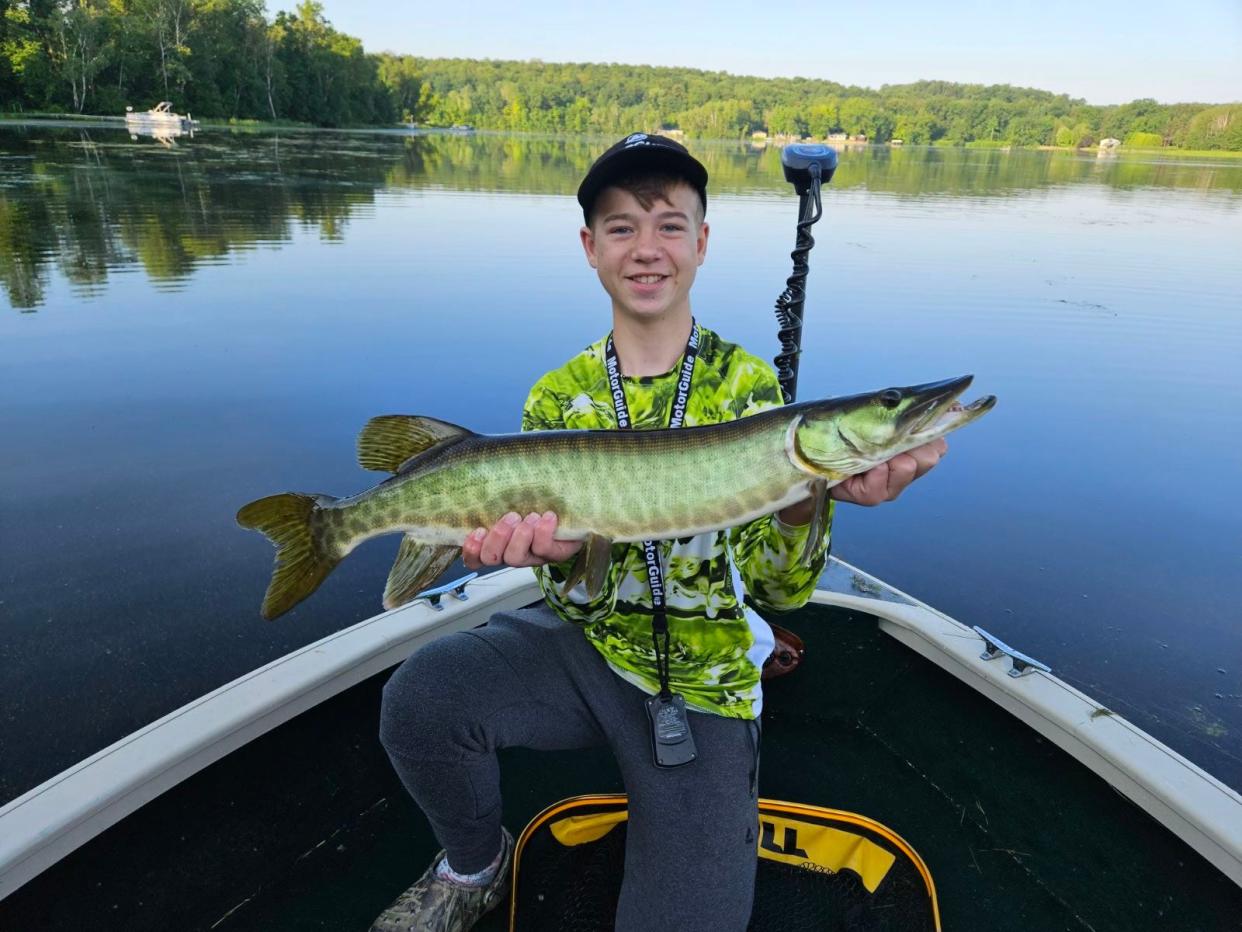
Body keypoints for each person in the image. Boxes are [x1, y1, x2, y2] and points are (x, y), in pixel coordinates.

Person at [371, 133, 946, 932]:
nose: (648, 248)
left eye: (670, 225)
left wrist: (805, 503)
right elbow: (572, 588)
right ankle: (477, 864)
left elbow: (781, 591)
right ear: (591, 248)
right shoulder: (560, 396)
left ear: (702, 243)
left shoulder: (750, 391)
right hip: (588, 649)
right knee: (422, 699)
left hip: (704, 682)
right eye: (621, 226)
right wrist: (561, 558)